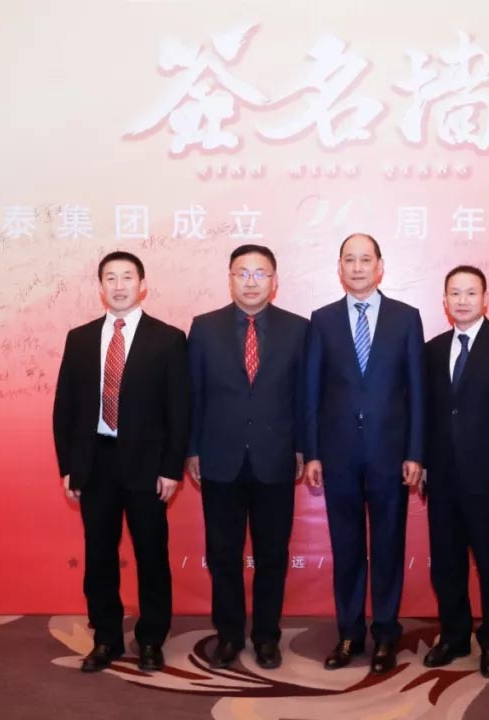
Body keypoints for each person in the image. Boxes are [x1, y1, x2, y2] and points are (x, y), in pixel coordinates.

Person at [52, 250, 189, 673]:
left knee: (151, 555)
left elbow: (179, 410)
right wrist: (68, 466)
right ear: (100, 287)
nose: (118, 285)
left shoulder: (168, 339)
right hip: (95, 463)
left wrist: (171, 468)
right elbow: (64, 408)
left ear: (142, 285)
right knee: (99, 556)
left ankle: (151, 639)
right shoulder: (79, 338)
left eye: (127, 277)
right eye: (110, 278)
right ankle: (106, 638)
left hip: (148, 467)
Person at [303, 233, 426, 674]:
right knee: (348, 547)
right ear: (339, 268)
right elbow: (311, 391)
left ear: (380, 266)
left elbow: (417, 390)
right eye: (349, 260)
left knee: (388, 546)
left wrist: (415, 452)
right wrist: (312, 452)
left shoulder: (405, 317)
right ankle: (350, 633)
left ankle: (386, 634)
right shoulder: (322, 319)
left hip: (390, 454)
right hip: (337, 455)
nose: (357, 267)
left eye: (365, 260)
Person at [186, 244, 307, 670]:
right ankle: (229, 635)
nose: (251, 282)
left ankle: (267, 637)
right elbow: (193, 394)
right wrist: (192, 448)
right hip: (220, 457)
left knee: (272, 555)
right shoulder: (204, 328)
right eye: (243, 273)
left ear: (275, 281)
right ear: (230, 278)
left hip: (276, 458)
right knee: (224, 554)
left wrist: (303, 447)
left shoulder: (298, 329)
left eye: (260, 273)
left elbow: (305, 397)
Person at [421, 265, 489, 678]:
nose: (463, 300)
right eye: (455, 293)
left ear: (485, 299)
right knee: (446, 564)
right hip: (442, 477)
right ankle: (454, 636)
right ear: (445, 301)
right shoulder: (432, 350)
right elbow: (427, 413)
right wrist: (424, 462)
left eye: (471, 293)